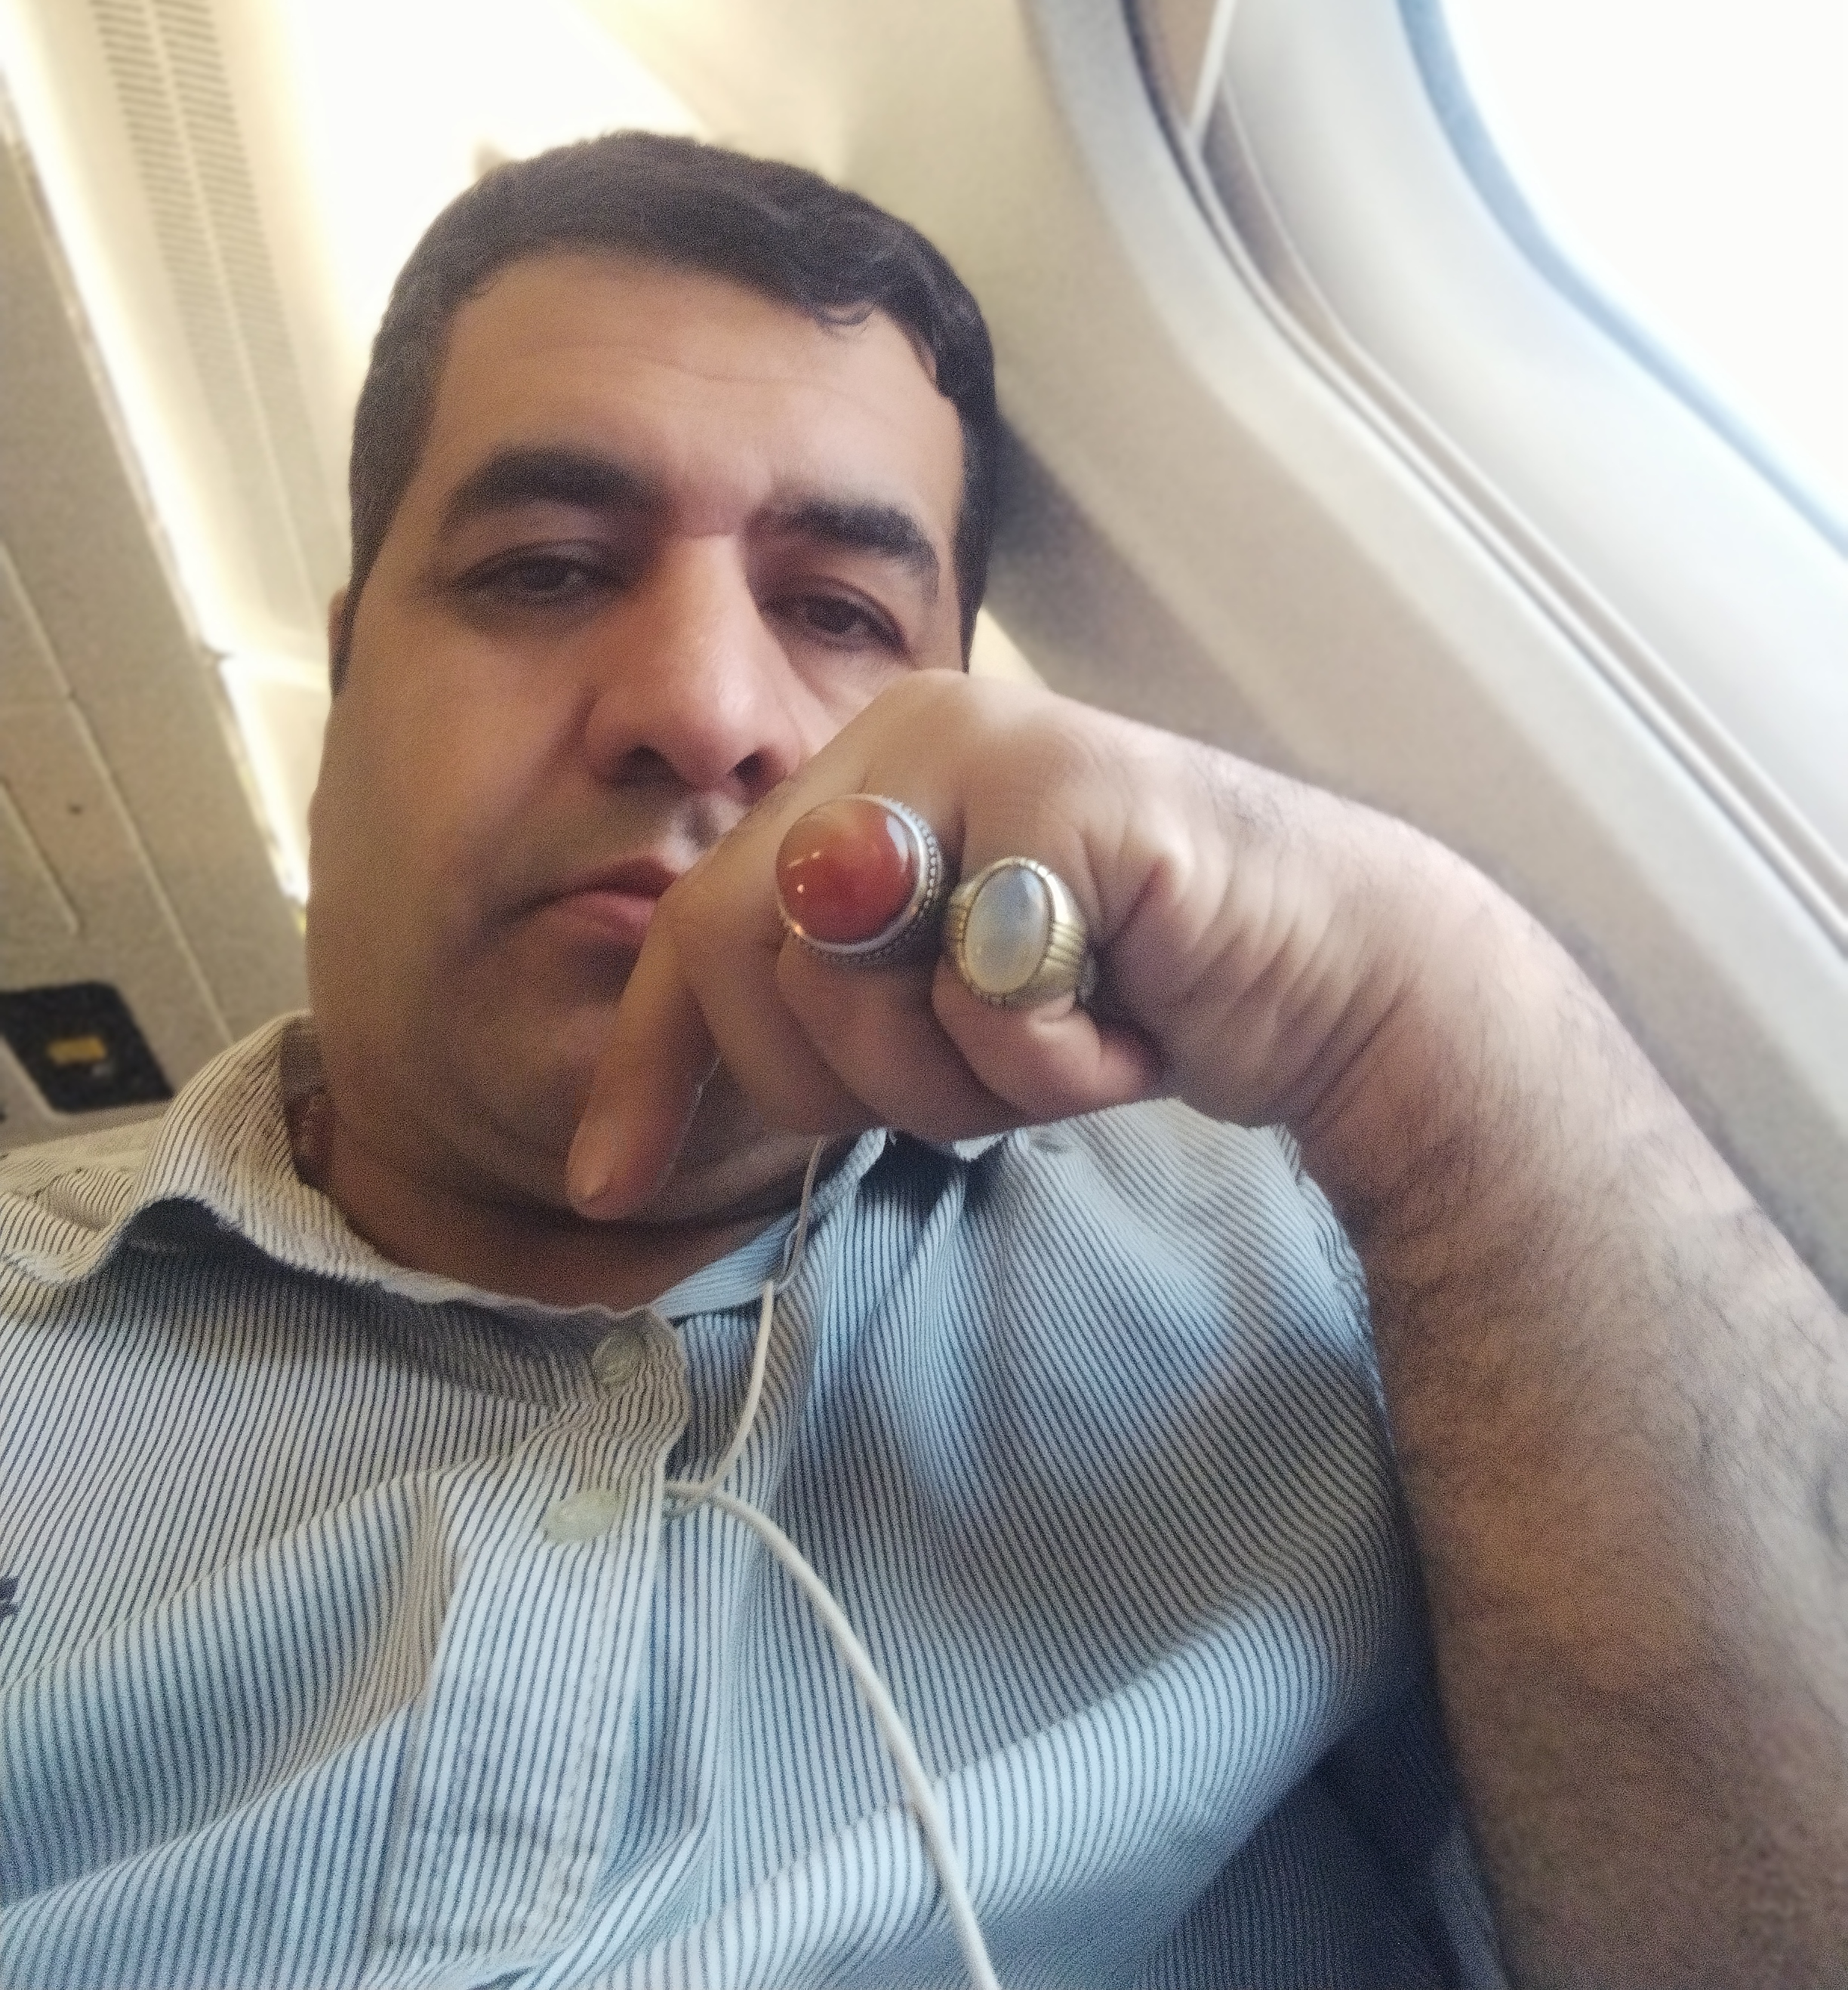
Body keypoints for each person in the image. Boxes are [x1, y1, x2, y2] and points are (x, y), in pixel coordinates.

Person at [2, 134, 1843, 1990]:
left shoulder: (1360, 1287)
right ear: (343, 693)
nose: (701, 708)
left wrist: (1433, 1010)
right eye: (545, 571)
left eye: (837, 614)